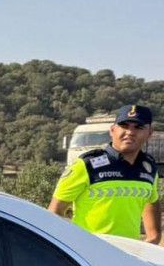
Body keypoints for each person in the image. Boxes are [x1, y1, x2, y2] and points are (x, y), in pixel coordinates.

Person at [49, 104, 160, 243]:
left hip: (128, 255)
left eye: (138, 127)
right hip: (89, 254)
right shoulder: (86, 165)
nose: (130, 132)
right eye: (124, 126)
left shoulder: (148, 167)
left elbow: (152, 200)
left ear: (149, 133)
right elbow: (54, 211)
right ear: (112, 130)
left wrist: (154, 237)